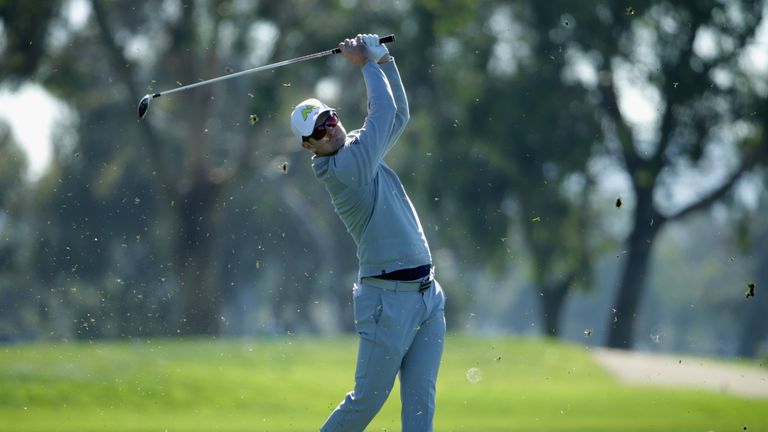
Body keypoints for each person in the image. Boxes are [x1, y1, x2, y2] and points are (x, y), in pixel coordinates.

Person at [289, 34, 446, 432]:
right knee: (365, 404)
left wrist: (385, 59)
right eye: (320, 131)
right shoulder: (344, 171)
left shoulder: (357, 148)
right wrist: (367, 65)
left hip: (428, 299)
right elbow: (382, 111)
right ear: (310, 147)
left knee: (420, 407)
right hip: (386, 304)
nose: (331, 129)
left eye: (330, 118)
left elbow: (398, 116)